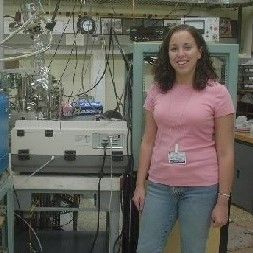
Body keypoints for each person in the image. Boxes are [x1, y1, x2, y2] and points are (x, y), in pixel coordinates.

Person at [132, 24, 235, 253]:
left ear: (199, 51)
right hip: (159, 186)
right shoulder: (157, 90)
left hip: (201, 188)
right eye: (174, 48)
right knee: (147, 248)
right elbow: (148, 141)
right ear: (167, 54)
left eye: (187, 47)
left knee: (193, 249)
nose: (180, 54)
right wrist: (141, 185)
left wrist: (222, 200)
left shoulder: (218, 93)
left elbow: (226, 151)